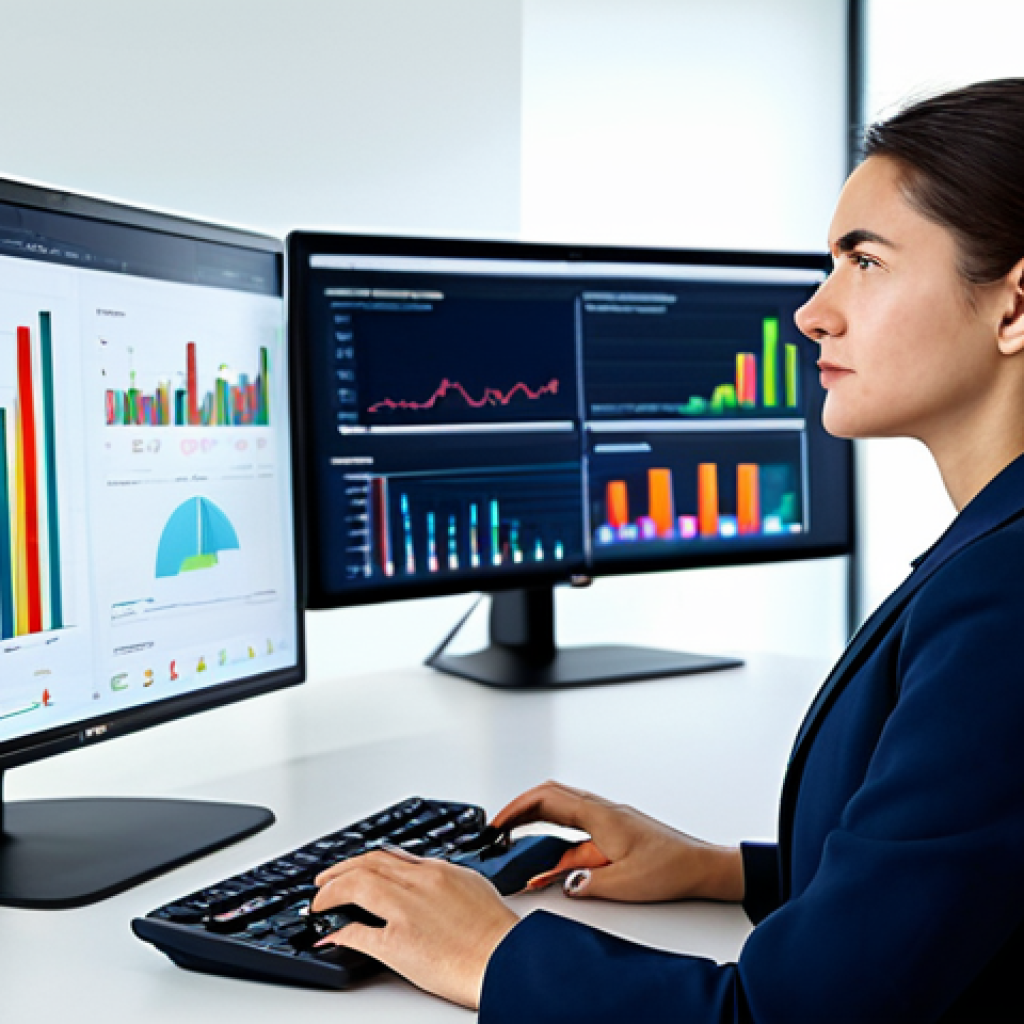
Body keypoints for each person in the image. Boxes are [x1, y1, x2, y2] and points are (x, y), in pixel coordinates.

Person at [311, 78, 1024, 1022]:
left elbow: (786, 1017)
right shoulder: (996, 552)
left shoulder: (1004, 595)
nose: (813, 313)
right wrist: (718, 869)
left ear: (1014, 309)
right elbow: (973, 880)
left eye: (865, 262)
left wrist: (490, 951)